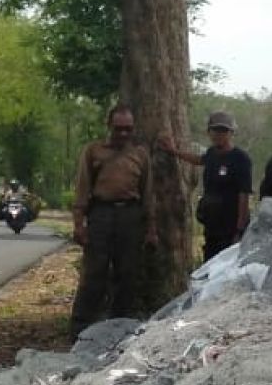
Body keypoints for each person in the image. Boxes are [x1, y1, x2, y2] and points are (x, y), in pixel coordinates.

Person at [70, 104, 158, 339]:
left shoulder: (140, 154)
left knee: (127, 274)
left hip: (130, 216)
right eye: (118, 129)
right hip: (101, 214)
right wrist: (79, 224)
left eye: (128, 129)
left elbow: (148, 194)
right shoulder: (93, 151)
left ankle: (119, 330)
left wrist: (151, 229)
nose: (123, 134)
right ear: (108, 126)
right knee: (93, 274)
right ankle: (80, 329)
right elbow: (82, 189)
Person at [159, 111, 252, 262]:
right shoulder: (211, 154)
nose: (219, 134)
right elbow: (198, 160)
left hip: (230, 228)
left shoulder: (240, 159)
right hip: (211, 226)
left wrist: (240, 230)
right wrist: (173, 151)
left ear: (231, 133)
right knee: (209, 264)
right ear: (209, 132)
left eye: (223, 130)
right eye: (215, 130)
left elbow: (244, 195)